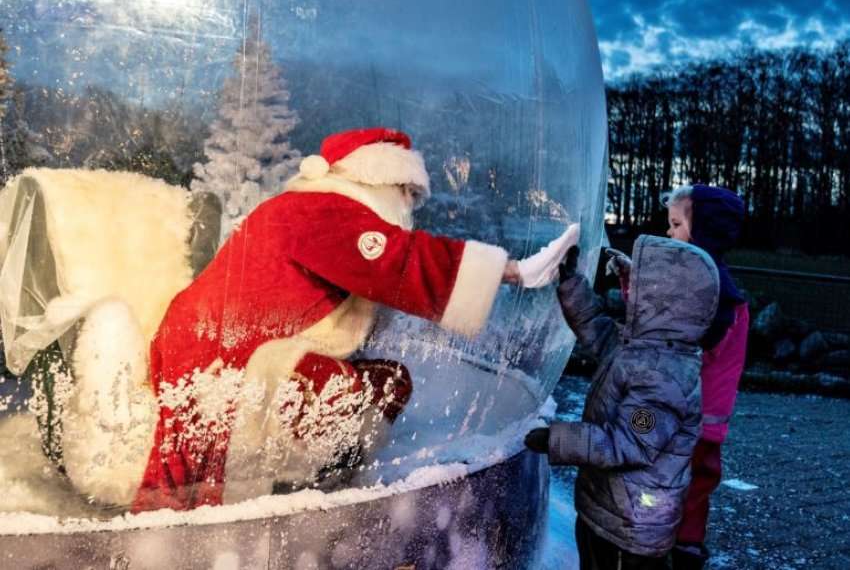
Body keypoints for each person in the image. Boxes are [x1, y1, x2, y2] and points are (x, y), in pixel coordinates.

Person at [53, 127, 577, 512]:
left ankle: (301, 471)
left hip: (209, 344)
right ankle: (285, 486)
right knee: (345, 391)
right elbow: (397, 259)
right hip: (219, 354)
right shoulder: (325, 214)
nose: (409, 206)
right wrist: (508, 271)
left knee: (385, 382)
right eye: (405, 192)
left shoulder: (311, 210)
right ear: (375, 180)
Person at [525, 235, 720, 569]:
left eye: (640, 290)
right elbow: (596, 330)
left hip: (631, 532)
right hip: (607, 510)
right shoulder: (643, 348)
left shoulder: (663, 381)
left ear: (664, 306)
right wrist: (571, 284)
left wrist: (558, 439)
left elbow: (627, 442)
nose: (628, 294)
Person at [607, 185, 749, 569]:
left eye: (675, 224)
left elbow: (671, 332)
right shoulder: (708, 286)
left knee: (670, 474)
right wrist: (631, 280)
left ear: (702, 232)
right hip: (693, 417)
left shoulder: (715, 293)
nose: (669, 233)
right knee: (691, 478)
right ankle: (679, 541)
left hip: (686, 418)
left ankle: (662, 540)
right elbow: (660, 316)